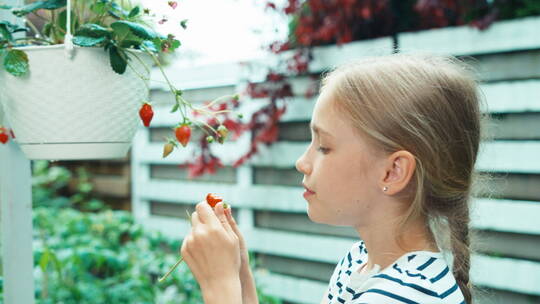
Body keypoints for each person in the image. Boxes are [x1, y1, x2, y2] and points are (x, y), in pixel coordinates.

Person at [179, 53, 484, 304]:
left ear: (393, 172)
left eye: (324, 147)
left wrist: (219, 285)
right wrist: (239, 273)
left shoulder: (401, 297)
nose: (302, 162)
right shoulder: (362, 261)